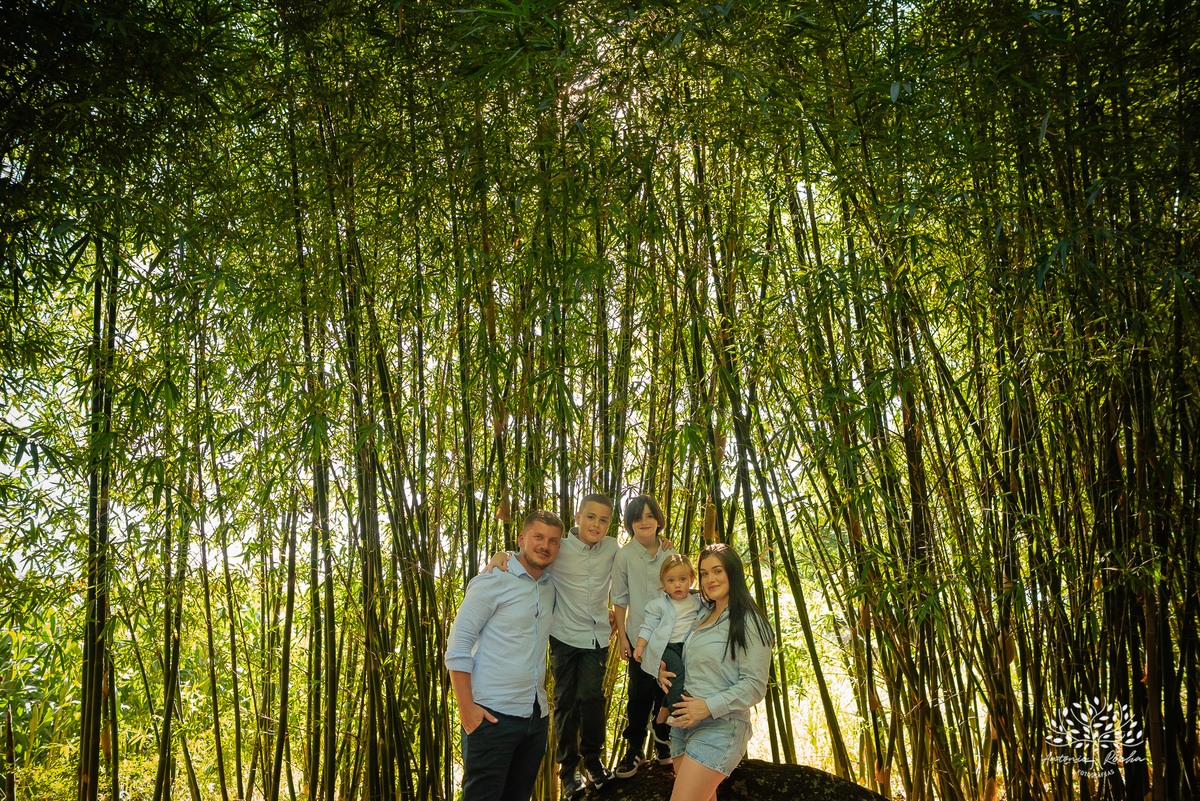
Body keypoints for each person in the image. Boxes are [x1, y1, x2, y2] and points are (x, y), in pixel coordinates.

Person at [483, 494, 618, 800]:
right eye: (590, 517)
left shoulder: (612, 548)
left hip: (596, 637)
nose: (596, 524)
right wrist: (501, 554)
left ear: (610, 524)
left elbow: (635, 567)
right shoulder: (560, 548)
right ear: (578, 518)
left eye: (604, 520)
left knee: (592, 698)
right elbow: (531, 555)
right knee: (566, 701)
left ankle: (593, 760)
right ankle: (568, 771)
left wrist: (660, 543)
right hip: (564, 636)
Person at [444, 510, 564, 801]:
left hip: (535, 717)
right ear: (521, 538)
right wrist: (467, 711)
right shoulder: (493, 580)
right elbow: (458, 647)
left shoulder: (550, 586)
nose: (545, 545)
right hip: (491, 717)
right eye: (538, 537)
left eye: (553, 541)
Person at [658, 543, 774, 801]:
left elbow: (754, 685)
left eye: (717, 571)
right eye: (703, 573)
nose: (709, 579)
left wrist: (708, 707)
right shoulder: (701, 614)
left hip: (720, 727)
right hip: (682, 725)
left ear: (733, 572)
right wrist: (661, 672)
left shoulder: (749, 620)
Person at [611, 494, 677, 776]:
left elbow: (681, 590)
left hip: (670, 636)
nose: (645, 522)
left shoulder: (671, 554)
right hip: (639, 637)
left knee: (667, 691)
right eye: (638, 518)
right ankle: (635, 749)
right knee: (638, 694)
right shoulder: (624, 555)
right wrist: (622, 639)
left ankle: (664, 744)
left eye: (650, 516)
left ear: (659, 521)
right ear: (630, 523)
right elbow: (619, 599)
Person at [633, 554, 708, 742]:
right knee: (677, 675)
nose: (677, 585)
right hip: (666, 647)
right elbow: (647, 627)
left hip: (687, 647)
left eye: (682, 579)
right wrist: (640, 646)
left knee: (685, 680)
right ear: (663, 583)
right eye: (671, 580)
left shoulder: (698, 601)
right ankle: (678, 713)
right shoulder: (658, 605)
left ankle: (660, 719)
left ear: (692, 579)